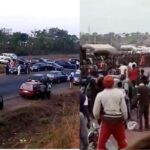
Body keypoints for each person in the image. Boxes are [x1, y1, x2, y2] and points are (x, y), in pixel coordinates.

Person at [93, 75, 128, 150]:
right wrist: (125, 119)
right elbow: (124, 110)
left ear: (103, 83)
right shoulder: (119, 93)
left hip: (106, 122)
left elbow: (95, 112)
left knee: (100, 146)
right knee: (123, 145)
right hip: (118, 121)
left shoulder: (100, 95)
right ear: (113, 83)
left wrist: (98, 118)